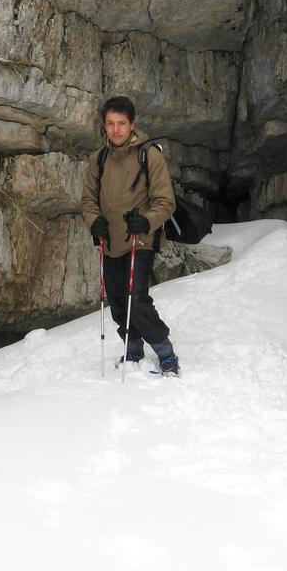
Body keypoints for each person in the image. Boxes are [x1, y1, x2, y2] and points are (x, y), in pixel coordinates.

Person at [81, 96, 180, 376]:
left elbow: (165, 201)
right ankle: (133, 348)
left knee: (136, 300)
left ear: (132, 124)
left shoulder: (150, 155)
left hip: (140, 241)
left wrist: (146, 221)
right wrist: (94, 221)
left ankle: (166, 353)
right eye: (110, 124)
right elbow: (88, 200)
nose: (116, 130)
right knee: (117, 301)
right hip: (110, 241)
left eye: (121, 124)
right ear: (104, 126)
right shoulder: (98, 159)